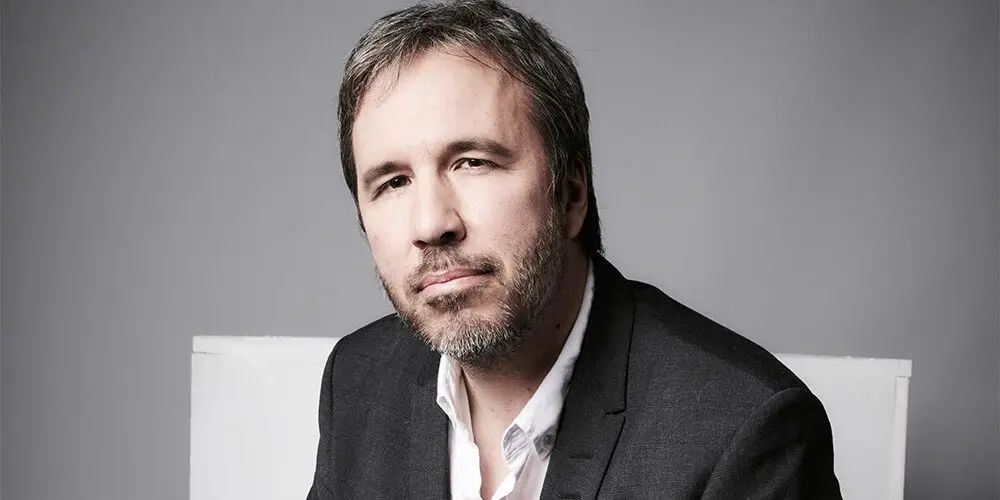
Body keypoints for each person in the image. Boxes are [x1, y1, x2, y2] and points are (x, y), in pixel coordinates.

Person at [307, 1, 842, 498]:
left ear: (571, 192)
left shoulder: (744, 428)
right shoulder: (358, 380)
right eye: (392, 183)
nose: (430, 224)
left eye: (473, 162)